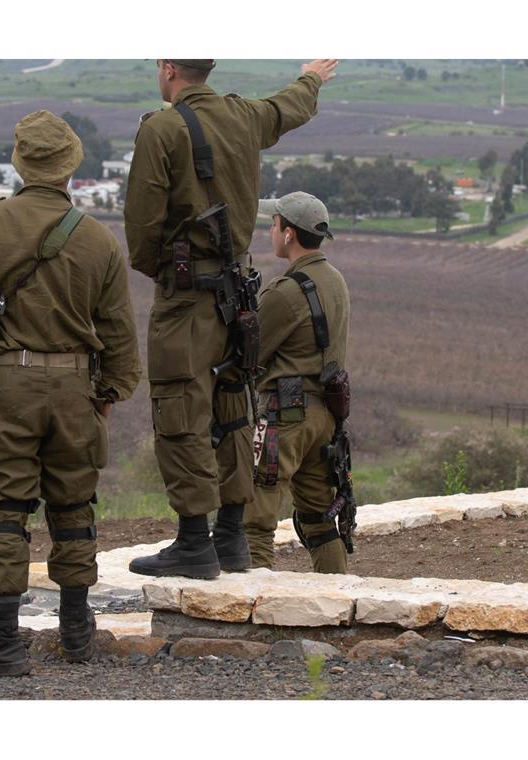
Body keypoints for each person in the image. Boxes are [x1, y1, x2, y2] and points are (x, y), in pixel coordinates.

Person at [0, 110, 140, 676]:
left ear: (20, 164)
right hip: (76, 388)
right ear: (71, 167)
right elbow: (119, 332)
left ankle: (3, 639)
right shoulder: (98, 238)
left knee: (3, 508)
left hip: (7, 387)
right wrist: (108, 391)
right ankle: (76, 630)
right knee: (73, 506)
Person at [124, 58, 339, 579]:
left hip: (189, 299)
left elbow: (141, 228)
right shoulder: (244, 116)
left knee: (181, 412)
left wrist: (169, 273)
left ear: (168, 68)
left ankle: (194, 541)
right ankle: (231, 537)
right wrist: (310, 78)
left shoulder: (163, 128)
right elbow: (289, 108)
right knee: (233, 411)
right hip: (238, 297)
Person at [245, 192, 350, 573]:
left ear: (289, 234)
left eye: (273, 225)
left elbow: (249, 356)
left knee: (254, 514)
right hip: (325, 416)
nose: (270, 231)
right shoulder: (335, 280)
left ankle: (252, 600)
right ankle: (337, 600)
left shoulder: (286, 291)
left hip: (285, 417)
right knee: (320, 520)